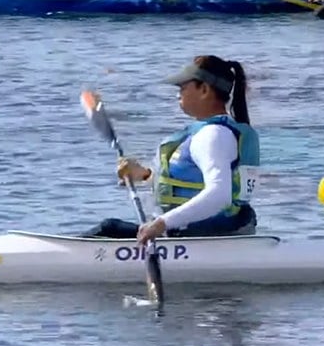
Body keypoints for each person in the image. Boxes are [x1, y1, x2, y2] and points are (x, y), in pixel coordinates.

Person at [82, 55, 261, 246]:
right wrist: (144, 175)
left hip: (204, 238)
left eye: (183, 87)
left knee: (108, 228)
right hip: (210, 232)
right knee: (112, 228)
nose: (178, 94)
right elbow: (192, 181)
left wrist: (160, 224)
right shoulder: (217, 132)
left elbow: (219, 195)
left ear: (204, 90)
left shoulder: (212, 135)